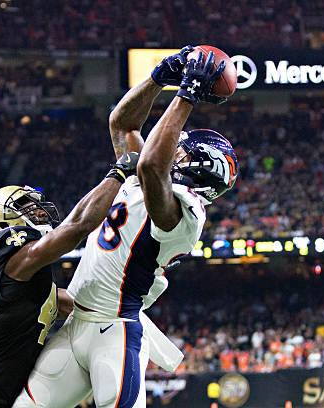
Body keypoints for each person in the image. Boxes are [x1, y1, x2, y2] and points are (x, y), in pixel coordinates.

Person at [13, 47, 236, 408]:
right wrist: (159, 78)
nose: (173, 152)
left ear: (203, 168)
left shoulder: (187, 212)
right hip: (75, 324)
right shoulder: (146, 178)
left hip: (115, 332)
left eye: (183, 152)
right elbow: (122, 123)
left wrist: (187, 94)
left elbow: (150, 167)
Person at [0, 147, 140, 408]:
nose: (38, 210)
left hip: (6, 399)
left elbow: (84, 305)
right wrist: (118, 174)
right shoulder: (5, 252)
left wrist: (142, 270)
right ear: (1, 223)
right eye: (23, 205)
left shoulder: (27, 286)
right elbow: (76, 227)